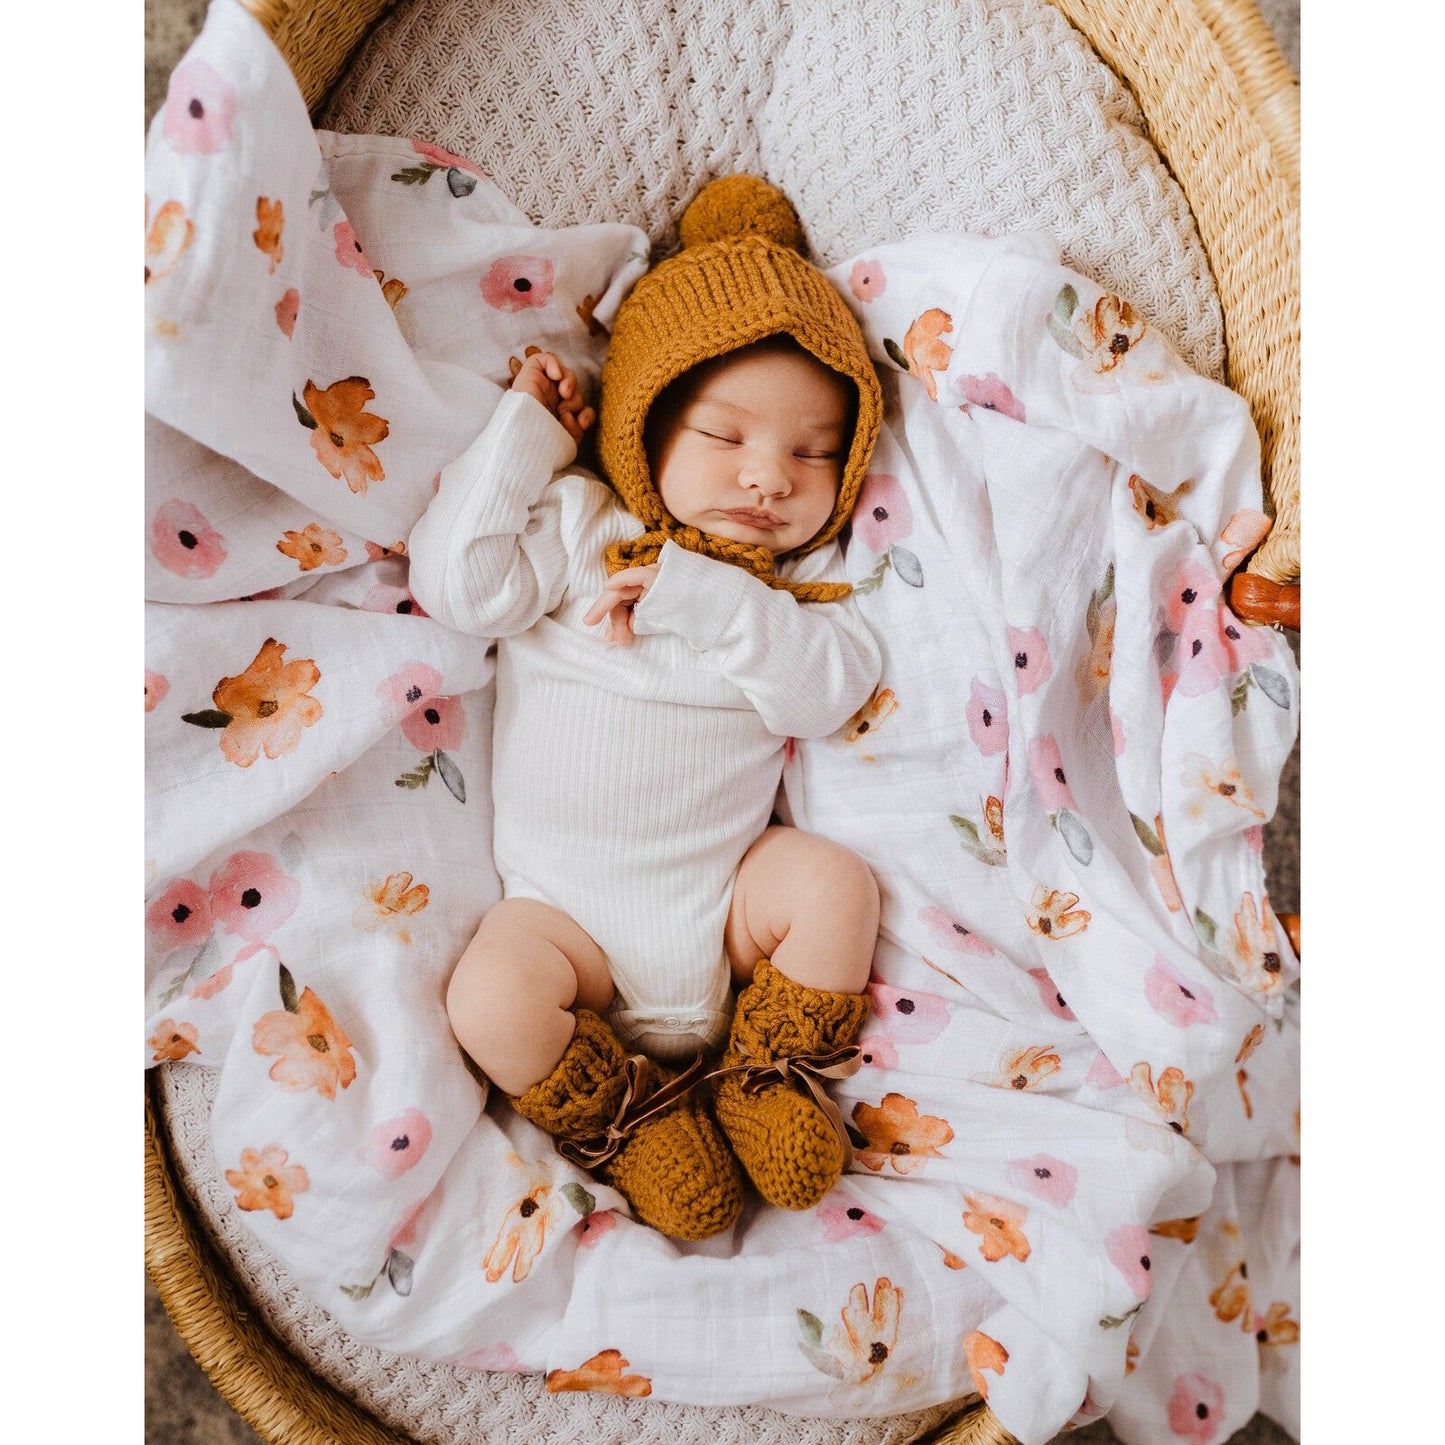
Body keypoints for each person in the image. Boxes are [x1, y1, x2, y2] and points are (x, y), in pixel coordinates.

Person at [408, 175, 885, 1241]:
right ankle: (628, 1121)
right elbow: (457, 583)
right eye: (725, 436)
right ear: (647, 424)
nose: (769, 478)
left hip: (725, 914)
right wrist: (525, 438)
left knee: (831, 883)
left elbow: (830, 692)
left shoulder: (788, 594)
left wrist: (709, 595)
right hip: (562, 925)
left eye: (812, 453)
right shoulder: (581, 526)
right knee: (487, 998)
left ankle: (766, 1074)